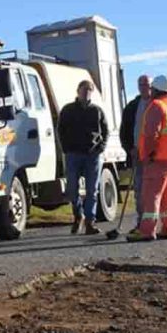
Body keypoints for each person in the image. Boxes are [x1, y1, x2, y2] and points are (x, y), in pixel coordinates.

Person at [128, 75, 167, 242]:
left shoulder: (156, 106)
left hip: (158, 159)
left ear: (155, 90)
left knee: (151, 196)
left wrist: (146, 155)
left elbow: (150, 135)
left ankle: (146, 230)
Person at [58, 80, 109, 235]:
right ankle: (77, 214)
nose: (86, 92)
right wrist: (66, 148)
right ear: (78, 91)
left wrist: (101, 147)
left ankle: (90, 222)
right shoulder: (67, 110)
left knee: (92, 190)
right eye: (84, 89)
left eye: (89, 90)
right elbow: (60, 129)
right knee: (72, 188)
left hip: (92, 154)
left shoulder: (97, 111)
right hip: (73, 154)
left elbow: (105, 131)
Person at [119, 74, 152, 236]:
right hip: (138, 155)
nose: (145, 87)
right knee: (139, 191)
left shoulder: (159, 104)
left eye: (147, 85)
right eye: (142, 84)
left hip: (157, 158)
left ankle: (156, 224)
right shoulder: (132, 106)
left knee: (155, 192)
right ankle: (141, 223)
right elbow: (124, 131)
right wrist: (129, 149)